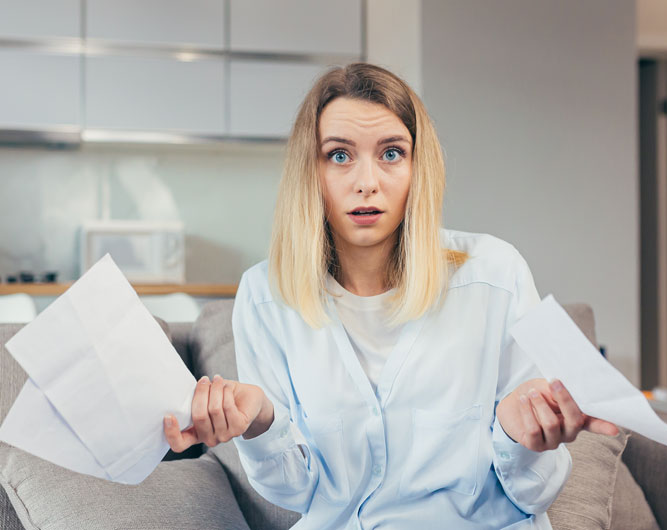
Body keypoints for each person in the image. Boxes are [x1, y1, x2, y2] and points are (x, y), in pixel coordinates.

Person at [163, 62, 619, 529]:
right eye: (339, 156)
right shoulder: (266, 296)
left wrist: (519, 438)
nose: (367, 182)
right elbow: (297, 491)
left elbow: (534, 493)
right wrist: (260, 421)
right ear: (310, 172)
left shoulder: (496, 275)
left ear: (419, 167)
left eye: (392, 154)